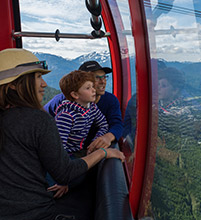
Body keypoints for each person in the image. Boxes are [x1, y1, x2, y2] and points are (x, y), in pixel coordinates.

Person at [0, 48, 125, 220]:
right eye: (37, 77)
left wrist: (106, 137)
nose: (44, 84)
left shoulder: (104, 103)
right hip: (37, 210)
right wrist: (103, 152)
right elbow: (63, 169)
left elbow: (114, 124)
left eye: (104, 77)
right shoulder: (52, 114)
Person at [46, 70, 109, 197]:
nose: (93, 90)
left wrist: (95, 142)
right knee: (53, 185)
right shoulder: (66, 115)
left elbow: (103, 125)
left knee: (82, 175)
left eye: (92, 86)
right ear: (75, 94)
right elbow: (58, 149)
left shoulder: (91, 107)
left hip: (77, 153)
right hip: (63, 156)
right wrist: (63, 178)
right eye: (88, 88)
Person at [44, 61, 123, 153]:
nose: (103, 81)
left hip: (86, 151)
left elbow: (116, 124)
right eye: (97, 78)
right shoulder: (61, 102)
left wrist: (108, 137)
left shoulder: (109, 101)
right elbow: (42, 118)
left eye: (104, 77)